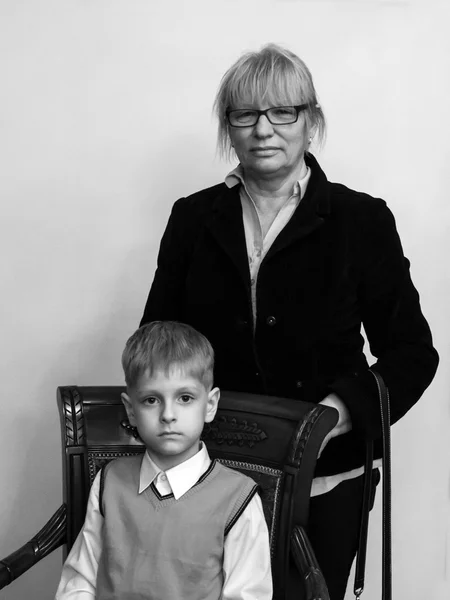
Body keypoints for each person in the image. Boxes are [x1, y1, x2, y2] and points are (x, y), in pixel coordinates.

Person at [139, 44, 439, 598]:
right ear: (227, 127)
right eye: (245, 114)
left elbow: (412, 354)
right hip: (208, 477)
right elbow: (157, 345)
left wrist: (337, 415)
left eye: (283, 112)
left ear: (311, 121)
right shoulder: (192, 217)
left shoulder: (361, 219)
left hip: (327, 483)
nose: (263, 129)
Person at [55, 321, 272, 600]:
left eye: (185, 397)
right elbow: (80, 581)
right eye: (151, 400)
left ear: (210, 404)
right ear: (131, 410)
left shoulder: (238, 499)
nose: (168, 414)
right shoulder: (110, 481)